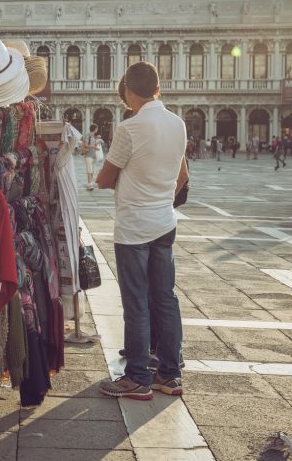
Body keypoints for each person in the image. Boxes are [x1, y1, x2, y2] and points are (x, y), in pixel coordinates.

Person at [95, 62, 187, 400]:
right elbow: (181, 177)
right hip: (165, 223)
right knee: (166, 299)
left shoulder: (130, 128)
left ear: (130, 92)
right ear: (158, 89)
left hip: (134, 227)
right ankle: (169, 374)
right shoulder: (178, 124)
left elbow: (104, 179)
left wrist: (129, 183)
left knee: (136, 303)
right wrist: (159, 195)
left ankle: (136, 377)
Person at [81, 124, 100, 190]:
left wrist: (96, 144)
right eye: (97, 128)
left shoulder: (93, 136)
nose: (97, 130)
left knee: (92, 170)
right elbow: (85, 145)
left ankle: (90, 183)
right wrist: (94, 146)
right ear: (94, 129)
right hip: (88, 155)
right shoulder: (88, 135)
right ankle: (89, 184)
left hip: (93, 155)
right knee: (89, 170)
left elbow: (92, 144)